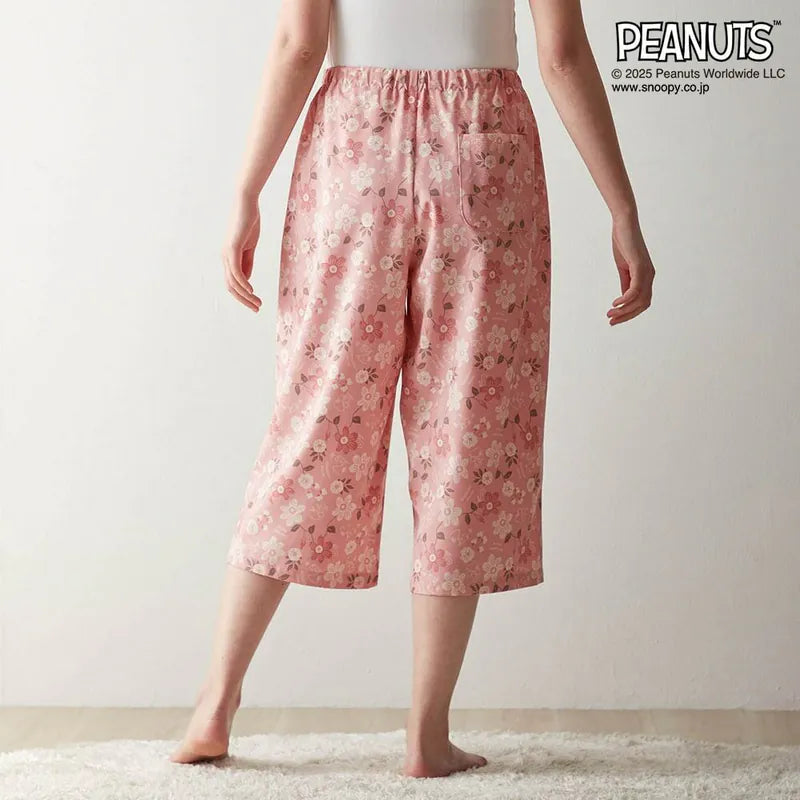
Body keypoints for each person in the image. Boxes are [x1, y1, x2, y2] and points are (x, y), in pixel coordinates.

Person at [171, 0, 655, 778]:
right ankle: (427, 736)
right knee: (466, 435)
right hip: (485, 151)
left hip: (353, 152)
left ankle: (214, 705)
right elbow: (561, 54)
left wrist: (246, 188)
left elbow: (300, 44)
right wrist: (622, 208)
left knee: (313, 424)